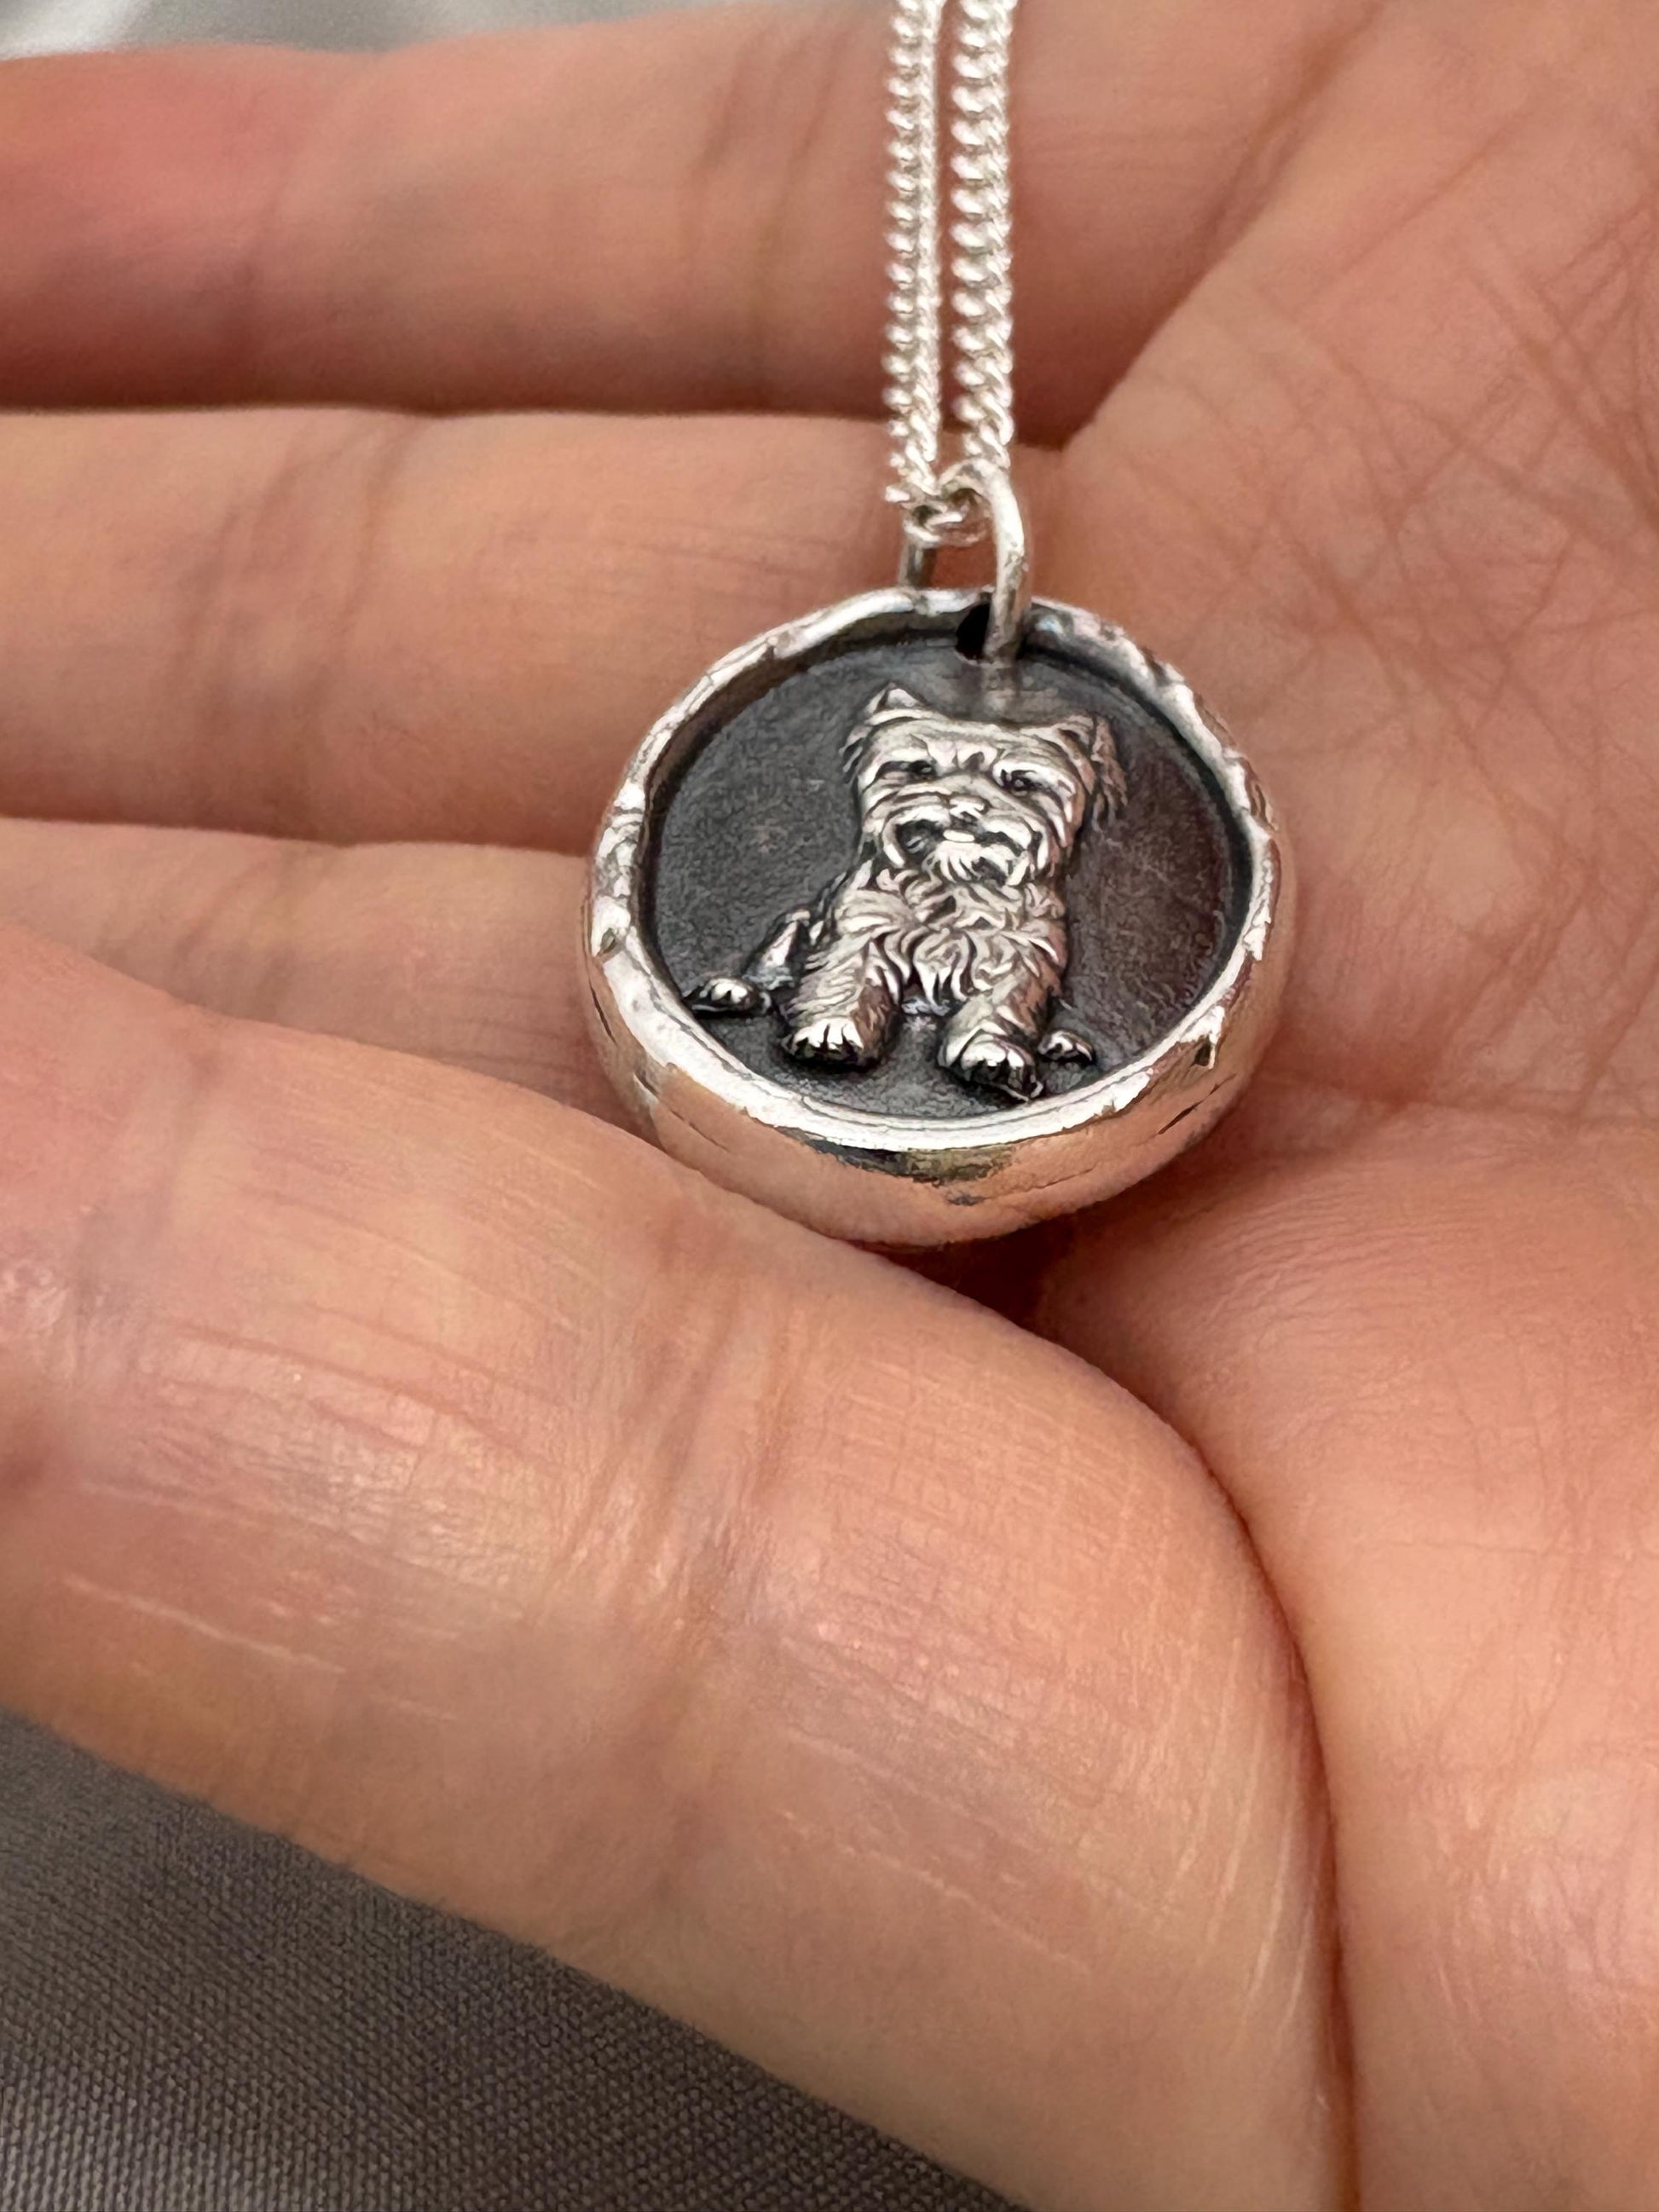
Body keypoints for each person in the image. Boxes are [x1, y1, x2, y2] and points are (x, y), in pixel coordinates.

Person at [0, 3, 1653, 2204]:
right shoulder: (886, 836)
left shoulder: (1053, 862)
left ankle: (962, 1046)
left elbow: (1019, 931)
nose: (963, 829)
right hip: (831, 961)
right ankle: (835, 1004)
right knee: (849, 968)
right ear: (887, 781)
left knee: (994, 1002)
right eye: (932, 800)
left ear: (1065, 801)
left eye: (1001, 807)